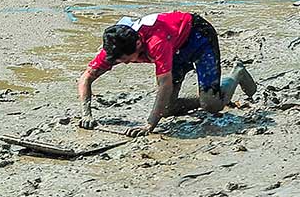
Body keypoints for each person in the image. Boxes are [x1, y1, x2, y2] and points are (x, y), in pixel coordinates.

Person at [77, 11, 257, 137]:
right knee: (168, 109)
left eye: (126, 59)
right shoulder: (117, 45)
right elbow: (86, 78)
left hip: (197, 37)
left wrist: (150, 124)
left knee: (213, 105)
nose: (123, 63)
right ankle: (207, 96)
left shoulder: (156, 43)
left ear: (138, 45)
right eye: (118, 60)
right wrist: (87, 114)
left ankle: (237, 74)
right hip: (175, 47)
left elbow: (165, 84)